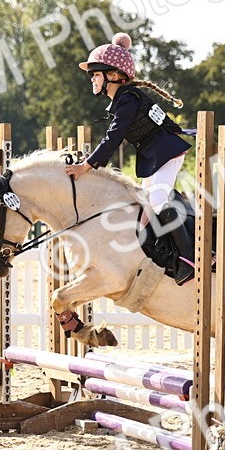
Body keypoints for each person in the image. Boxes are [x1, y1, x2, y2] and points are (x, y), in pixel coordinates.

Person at [63, 33, 195, 285]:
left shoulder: (127, 100)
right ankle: (165, 259)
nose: (92, 79)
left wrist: (85, 166)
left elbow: (113, 138)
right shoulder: (125, 99)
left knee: (156, 200)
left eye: (95, 74)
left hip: (167, 152)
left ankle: (189, 257)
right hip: (158, 154)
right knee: (144, 214)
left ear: (112, 75)